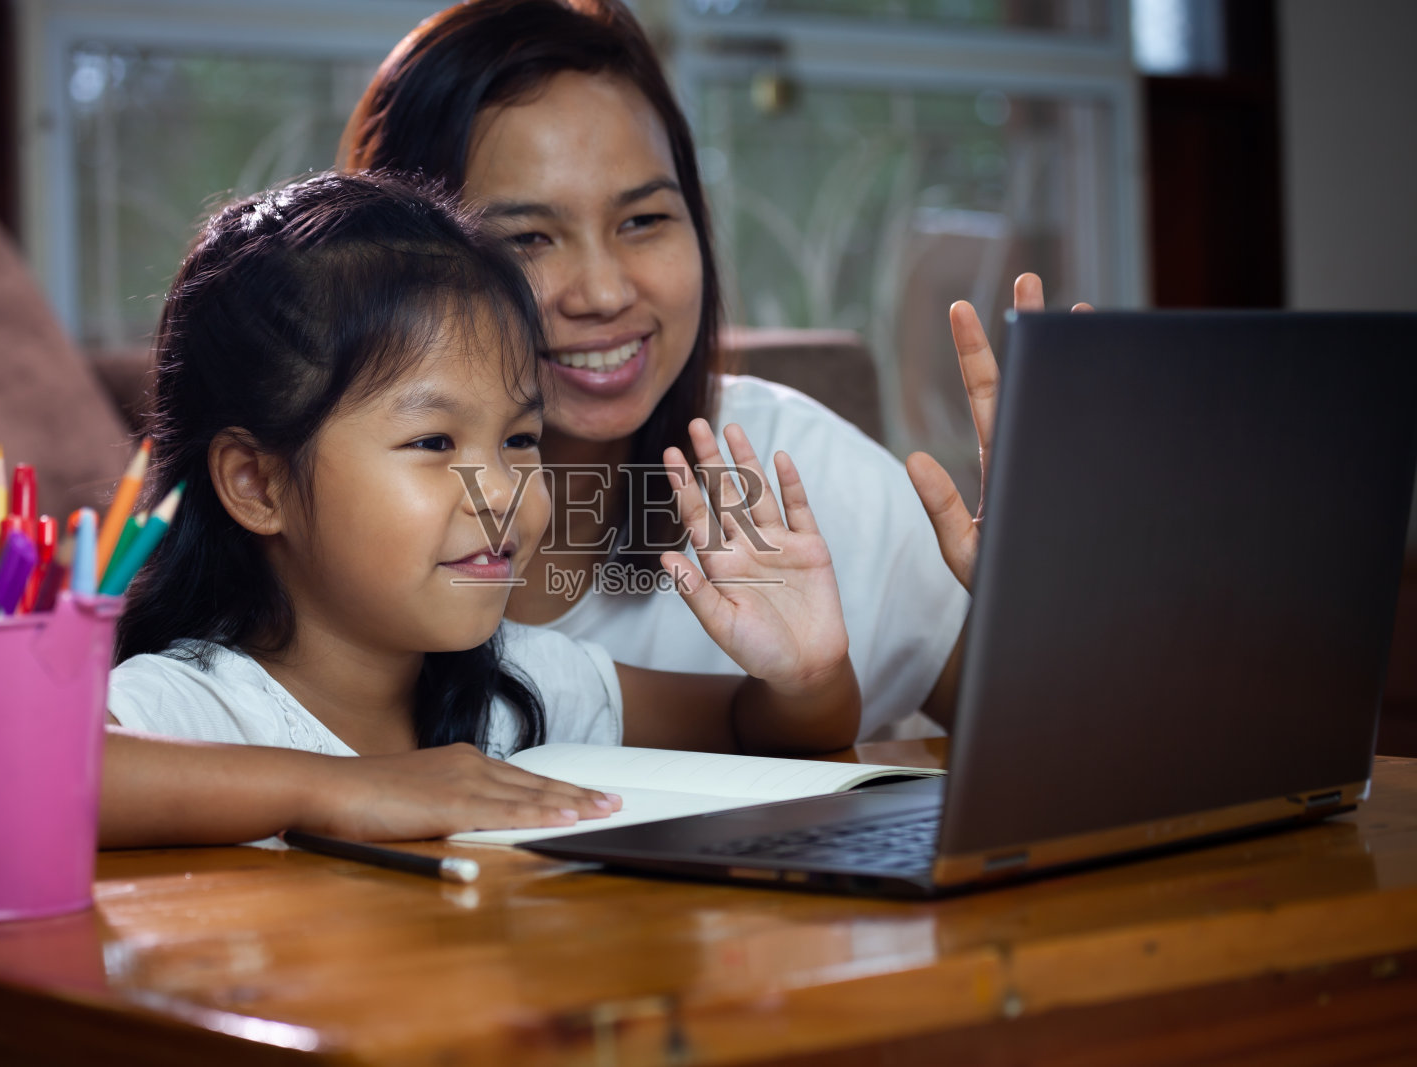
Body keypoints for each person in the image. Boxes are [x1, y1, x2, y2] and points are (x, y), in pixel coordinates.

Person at [98, 171, 860, 848]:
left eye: (521, 439)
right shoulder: (190, 704)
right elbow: (22, 783)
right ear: (258, 484)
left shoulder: (524, 683)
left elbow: (754, 726)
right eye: (434, 440)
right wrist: (341, 789)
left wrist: (807, 677)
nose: (500, 492)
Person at [339, 0, 1029, 739]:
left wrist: (1056, 601)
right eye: (529, 238)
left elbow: (1066, 741)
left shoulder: (802, 471)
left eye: (644, 221)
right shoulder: (325, 515)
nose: (604, 293)